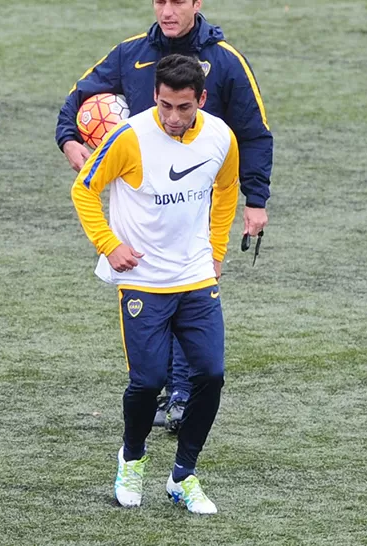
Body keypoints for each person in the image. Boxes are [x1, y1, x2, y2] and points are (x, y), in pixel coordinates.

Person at [56, 0, 272, 431]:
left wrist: (256, 198)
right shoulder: (130, 53)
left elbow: (253, 130)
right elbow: (76, 98)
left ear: (197, 4)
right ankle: (162, 392)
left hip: (196, 206)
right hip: (142, 208)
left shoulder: (225, 61)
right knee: (156, 302)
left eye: (178, 1)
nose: (167, 10)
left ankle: (180, 395)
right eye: (160, 1)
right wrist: (69, 139)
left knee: (187, 301)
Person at [70, 54, 238, 513]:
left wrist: (217, 252)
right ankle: (133, 457)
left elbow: (226, 191)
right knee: (147, 383)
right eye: (164, 105)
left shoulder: (221, 137)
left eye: (183, 107)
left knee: (212, 375)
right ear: (154, 97)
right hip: (142, 280)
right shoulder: (128, 138)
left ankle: (183, 475)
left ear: (201, 100)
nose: (172, 117)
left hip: (196, 277)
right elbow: (84, 188)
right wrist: (108, 244)